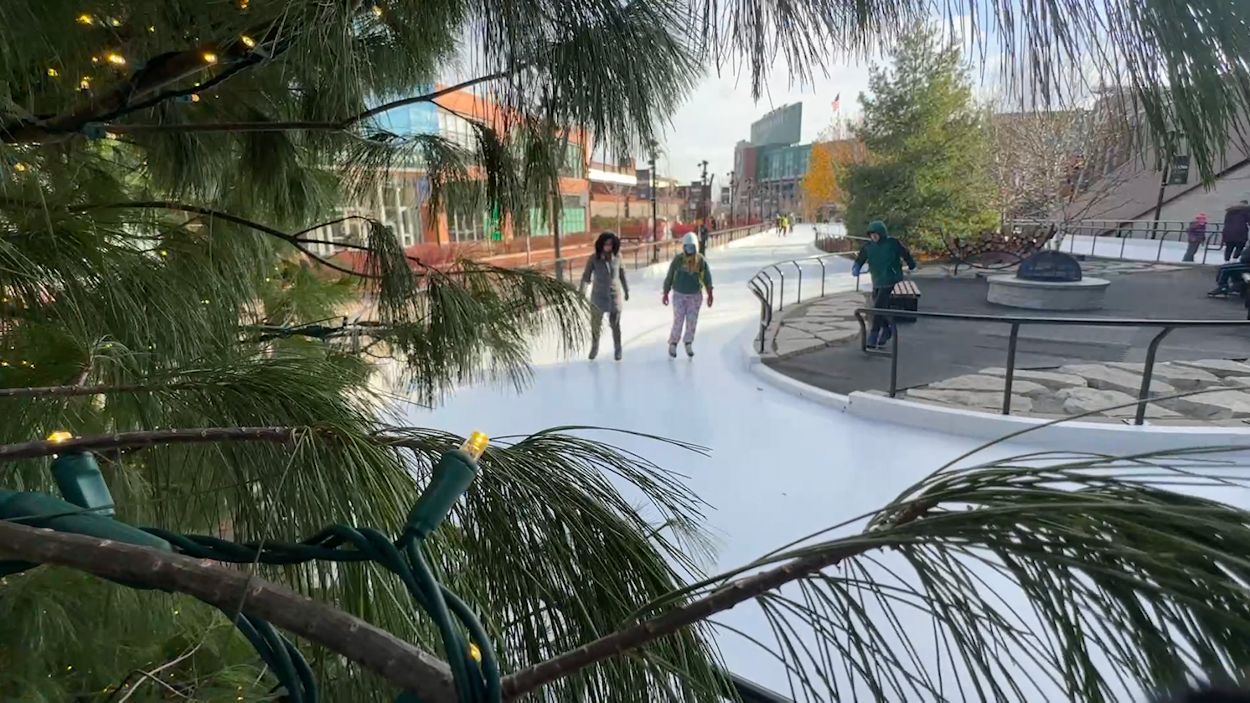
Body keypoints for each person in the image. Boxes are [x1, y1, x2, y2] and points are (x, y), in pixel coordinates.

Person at [852, 220, 917, 349]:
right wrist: (856, 267)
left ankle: (873, 335)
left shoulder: (892, 243)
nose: (874, 237)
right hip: (877, 280)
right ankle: (887, 329)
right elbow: (860, 258)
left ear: (882, 233)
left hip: (891, 278)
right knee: (881, 306)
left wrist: (911, 264)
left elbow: (905, 253)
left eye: (876, 234)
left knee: (877, 307)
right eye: (871, 235)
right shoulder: (868, 247)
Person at [662, 232, 714, 358]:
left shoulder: (700, 261)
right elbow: (670, 275)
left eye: (692, 247)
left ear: (696, 247)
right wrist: (666, 292)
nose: (689, 250)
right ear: (683, 247)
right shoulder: (678, 260)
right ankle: (673, 343)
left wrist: (710, 293)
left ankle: (688, 342)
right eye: (687, 247)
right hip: (679, 295)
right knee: (678, 320)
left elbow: (707, 277)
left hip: (694, 296)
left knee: (692, 321)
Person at [579, 232, 630, 361]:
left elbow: (622, 274)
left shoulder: (618, 257)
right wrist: (581, 292)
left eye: (610, 244)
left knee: (615, 324)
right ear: (600, 245)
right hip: (598, 296)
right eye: (606, 244)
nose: (608, 247)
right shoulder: (593, 259)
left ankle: (618, 349)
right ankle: (595, 346)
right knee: (595, 324)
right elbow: (586, 277)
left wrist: (626, 290)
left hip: (614, 296)